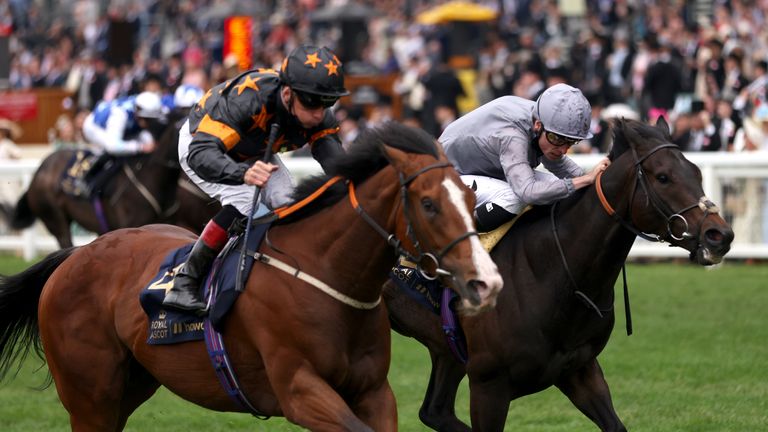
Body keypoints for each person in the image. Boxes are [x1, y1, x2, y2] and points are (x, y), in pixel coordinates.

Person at [163, 45, 349, 313]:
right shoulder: (249, 100)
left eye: (327, 103)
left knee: (286, 200)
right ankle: (184, 282)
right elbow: (201, 153)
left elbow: (336, 166)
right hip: (202, 144)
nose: (319, 114)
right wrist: (242, 173)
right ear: (287, 93)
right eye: (311, 102)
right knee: (243, 201)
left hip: (252, 150)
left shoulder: (316, 113)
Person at [440, 83, 610, 232]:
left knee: (551, 186)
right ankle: (450, 239)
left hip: (479, 172)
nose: (564, 150)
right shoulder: (512, 135)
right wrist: (584, 180)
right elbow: (527, 192)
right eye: (558, 139)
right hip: (444, 176)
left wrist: (598, 184)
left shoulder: (542, 118)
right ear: (538, 126)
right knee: (513, 197)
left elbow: (558, 165)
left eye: (571, 142)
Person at [79, 91, 167, 195]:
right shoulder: (120, 114)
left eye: (151, 120)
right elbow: (113, 146)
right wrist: (141, 147)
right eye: (147, 119)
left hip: (123, 126)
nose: (149, 123)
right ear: (137, 112)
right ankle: (88, 182)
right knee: (115, 153)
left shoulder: (143, 108)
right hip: (94, 127)